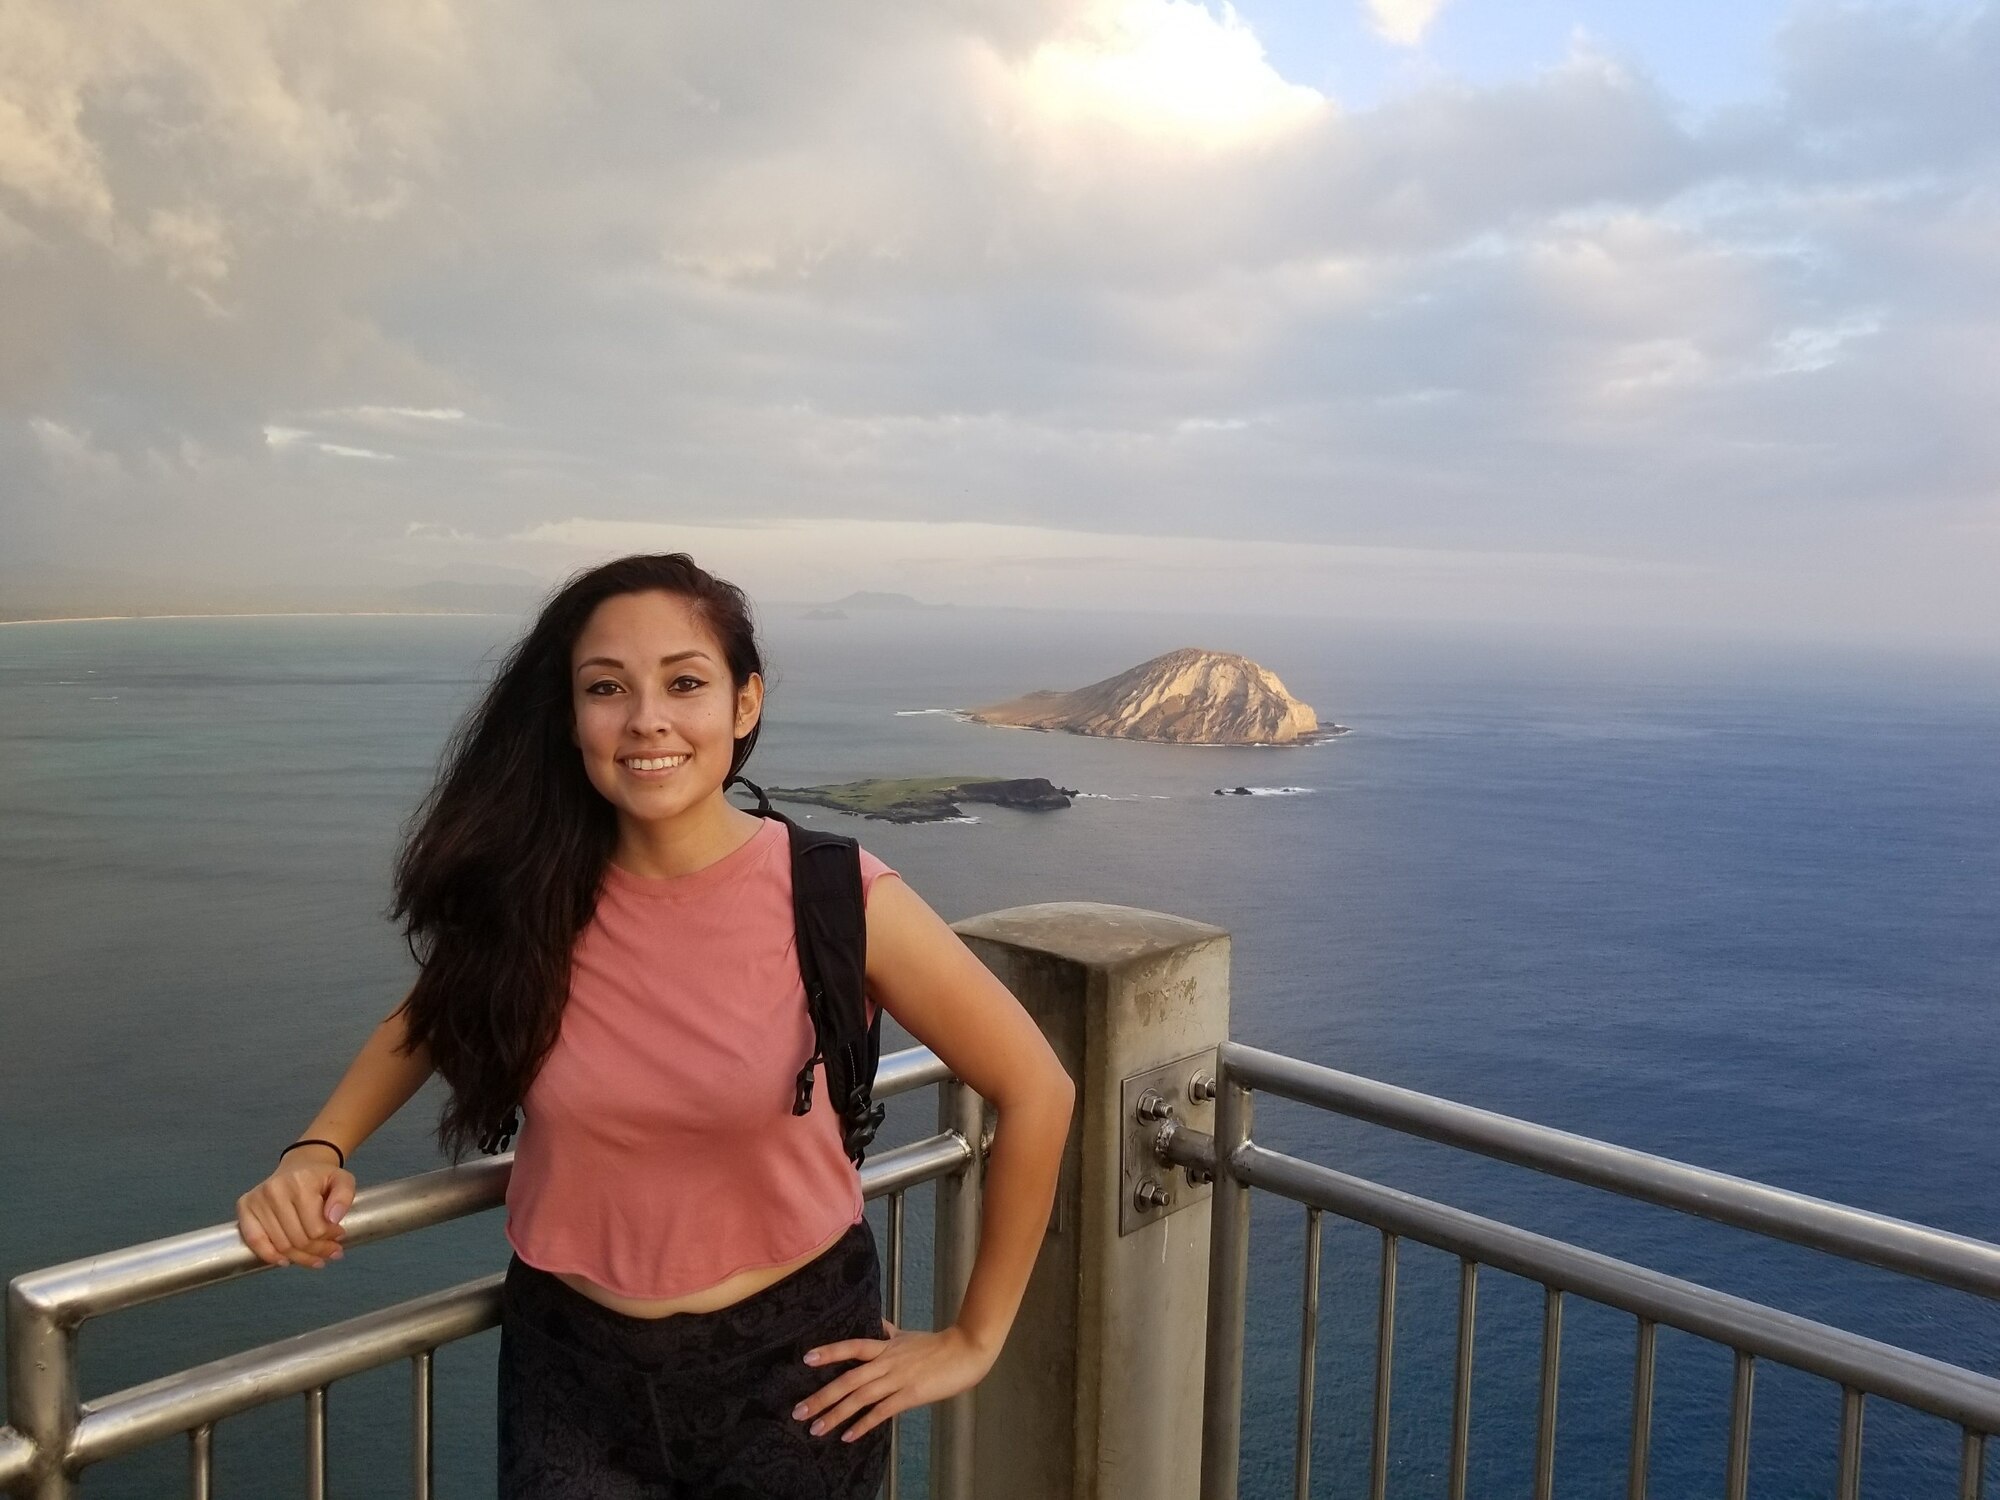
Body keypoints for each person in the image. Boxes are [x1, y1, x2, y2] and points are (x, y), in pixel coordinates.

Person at [233, 552, 1076, 1499]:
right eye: (606, 688)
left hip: (798, 1370)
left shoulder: (837, 893)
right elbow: (431, 1017)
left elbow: (1037, 1086)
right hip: (570, 1366)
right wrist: (319, 1145)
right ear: (570, 715)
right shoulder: (534, 895)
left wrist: (973, 1339)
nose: (646, 720)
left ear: (744, 704)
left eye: (685, 682)